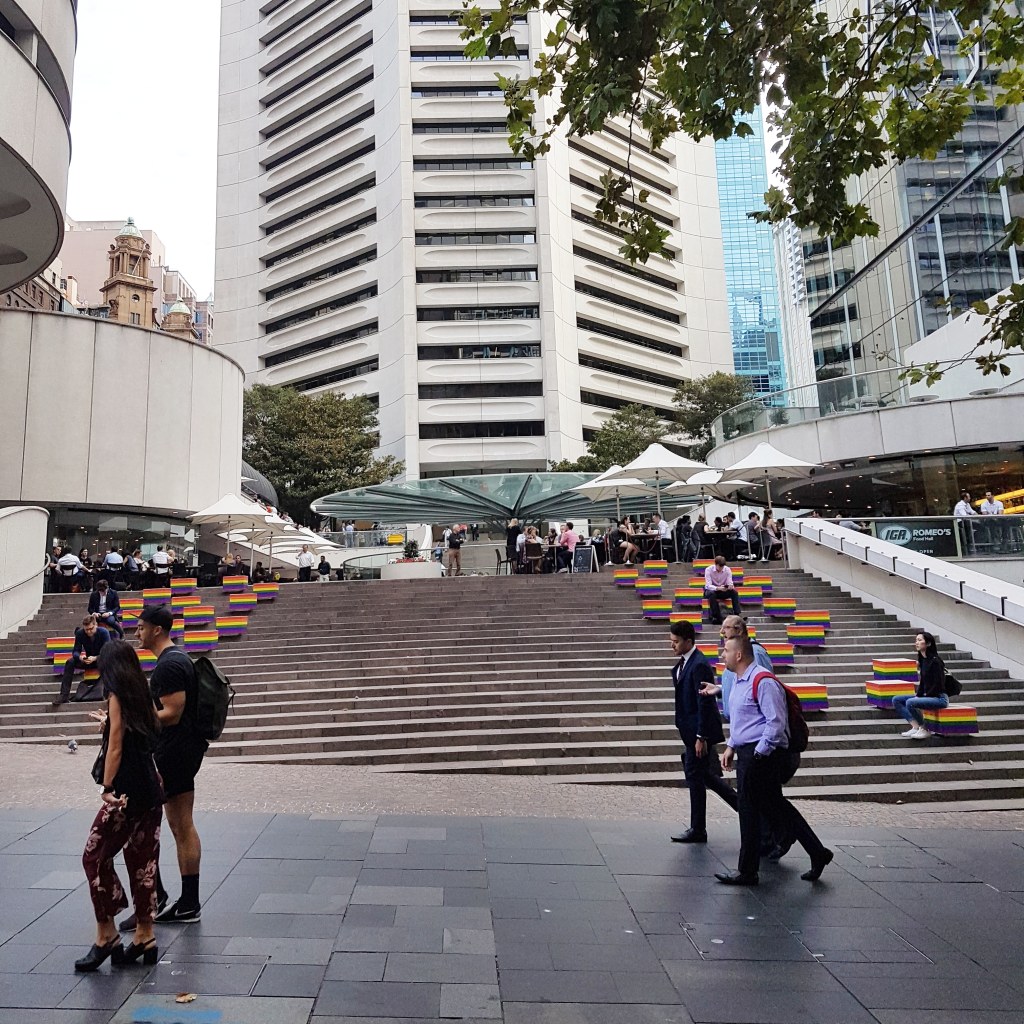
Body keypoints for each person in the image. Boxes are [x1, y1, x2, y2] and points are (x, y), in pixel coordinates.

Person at [715, 635, 833, 886]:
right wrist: (731, 746)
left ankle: (747, 871)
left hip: (762, 756)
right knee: (775, 807)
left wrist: (759, 752)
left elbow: (775, 723)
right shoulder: (738, 681)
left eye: (725, 650)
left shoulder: (763, 681)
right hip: (749, 752)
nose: (721, 655)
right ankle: (818, 852)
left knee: (749, 810)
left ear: (739, 655)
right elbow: (742, 721)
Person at [75, 641, 164, 972]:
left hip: (125, 792)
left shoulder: (116, 695)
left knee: (94, 857)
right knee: (143, 861)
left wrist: (107, 787)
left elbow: (116, 747)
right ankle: (145, 935)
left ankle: (106, 935)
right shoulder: (142, 689)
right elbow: (146, 731)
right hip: (151, 788)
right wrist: (109, 724)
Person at [123, 605, 208, 927]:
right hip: (181, 752)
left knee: (164, 825)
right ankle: (183, 901)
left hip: (173, 754)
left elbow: (171, 712)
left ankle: (167, 899)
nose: (137, 633)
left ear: (157, 629)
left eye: (141, 627)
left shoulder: (169, 666)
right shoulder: (177, 659)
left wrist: (130, 721)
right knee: (179, 825)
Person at [668, 620, 737, 844]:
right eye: (671, 641)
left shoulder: (698, 664)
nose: (673, 646)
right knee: (704, 777)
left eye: (676, 642)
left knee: (697, 777)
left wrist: (701, 736)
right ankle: (703, 826)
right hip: (690, 732)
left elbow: (705, 703)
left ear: (689, 641)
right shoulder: (684, 663)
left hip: (697, 735)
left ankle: (699, 828)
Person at [892, 632, 948, 740]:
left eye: (920, 640)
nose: (917, 643)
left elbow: (939, 684)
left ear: (928, 643)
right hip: (928, 695)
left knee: (910, 702)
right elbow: (923, 682)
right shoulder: (923, 660)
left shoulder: (936, 661)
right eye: (916, 640)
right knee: (897, 700)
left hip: (939, 698)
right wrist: (919, 695)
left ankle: (925, 729)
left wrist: (925, 696)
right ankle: (916, 726)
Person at [53, 616, 111, 705]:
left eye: (91, 629)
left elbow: (107, 651)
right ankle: (64, 695)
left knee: (109, 661)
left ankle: (107, 693)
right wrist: (80, 658)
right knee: (70, 662)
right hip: (87, 660)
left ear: (96, 625)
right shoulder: (80, 633)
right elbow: (76, 651)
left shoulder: (104, 632)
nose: (89, 632)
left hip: (101, 659)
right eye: (86, 630)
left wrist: (95, 658)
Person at [704, 555, 742, 625]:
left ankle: (737, 614)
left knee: (734, 592)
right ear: (715, 564)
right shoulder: (708, 570)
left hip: (723, 590)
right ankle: (716, 617)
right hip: (712, 590)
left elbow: (730, 582)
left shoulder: (727, 570)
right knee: (711, 594)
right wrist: (717, 588)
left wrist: (729, 586)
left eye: (722, 566)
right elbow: (708, 585)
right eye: (720, 566)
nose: (721, 568)